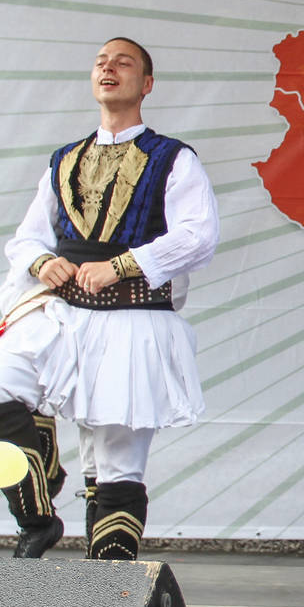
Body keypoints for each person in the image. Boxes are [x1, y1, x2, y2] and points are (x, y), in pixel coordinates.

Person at [0, 36, 219, 560]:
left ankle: (107, 590)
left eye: (123, 62)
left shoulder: (173, 159)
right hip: (63, 318)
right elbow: (27, 239)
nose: (108, 68)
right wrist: (43, 263)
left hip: (132, 322)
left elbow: (198, 235)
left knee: (115, 464)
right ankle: (36, 514)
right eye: (101, 61)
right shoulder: (64, 160)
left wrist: (121, 265)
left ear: (146, 84)